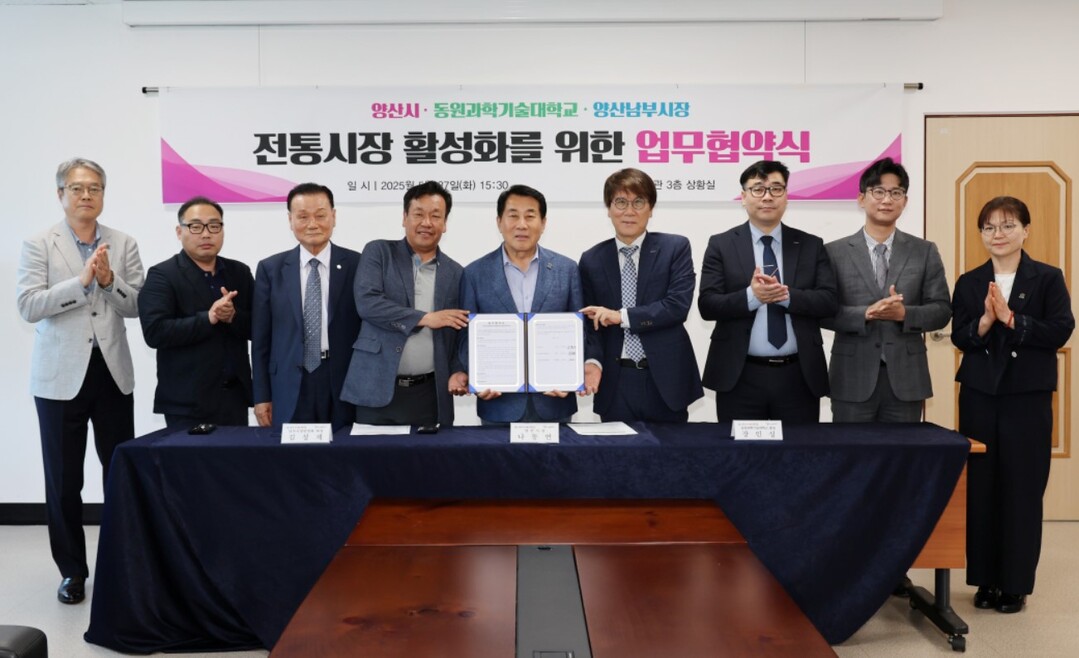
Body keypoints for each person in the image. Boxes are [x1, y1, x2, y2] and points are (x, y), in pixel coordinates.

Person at [16, 157, 144, 604]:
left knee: (120, 475)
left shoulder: (123, 243)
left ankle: (121, 565)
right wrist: (81, 282)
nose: (86, 195)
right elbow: (29, 305)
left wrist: (109, 282)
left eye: (94, 188)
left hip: (111, 374)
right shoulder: (39, 243)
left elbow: (138, 305)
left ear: (103, 194)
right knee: (64, 481)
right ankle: (72, 571)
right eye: (77, 188)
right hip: (58, 379)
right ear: (61, 194)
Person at [952, 196, 1073, 614]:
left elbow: (1060, 329)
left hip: (1027, 397)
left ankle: (1015, 584)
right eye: (989, 227)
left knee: (1022, 488)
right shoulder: (970, 281)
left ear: (1025, 230)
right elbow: (960, 336)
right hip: (979, 396)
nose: (998, 234)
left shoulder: (1047, 278)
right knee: (981, 488)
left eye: (1007, 226)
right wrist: (985, 321)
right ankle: (984, 580)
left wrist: (1011, 318)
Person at [698, 160, 837, 422]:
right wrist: (752, 297)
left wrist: (785, 296)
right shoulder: (721, 245)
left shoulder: (810, 244)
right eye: (758, 189)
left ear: (786, 196)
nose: (767, 197)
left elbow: (829, 301)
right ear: (743, 197)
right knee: (742, 448)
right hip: (740, 376)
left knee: (799, 448)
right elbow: (708, 305)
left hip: (798, 375)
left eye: (776, 188)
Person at [823, 158, 951, 422]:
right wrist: (865, 313)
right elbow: (823, 311)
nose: (887, 200)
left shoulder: (924, 251)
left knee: (903, 449)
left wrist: (905, 314)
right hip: (851, 377)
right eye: (878, 191)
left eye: (896, 193)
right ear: (861, 198)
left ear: (905, 201)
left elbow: (941, 310)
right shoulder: (833, 252)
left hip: (906, 379)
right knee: (851, 448)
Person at [578, 168, 703, 422]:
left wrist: (621, 317)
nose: (629, 211)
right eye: (620, 202)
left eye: (638, 202)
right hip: (615, 381)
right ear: (609, 209)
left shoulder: (675, 248)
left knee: (673, 448)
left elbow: (677, 306)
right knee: (616, 448)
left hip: (665, 380)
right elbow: (590, 324)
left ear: (651, 208)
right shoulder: (591, 259)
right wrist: (592, 361)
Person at [341, 181, 467, 427]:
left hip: (429, 394)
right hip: (375, 386)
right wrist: (426, 318)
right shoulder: (379, 252)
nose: (426, 222)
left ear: (445, 223)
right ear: (404, 217)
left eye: (435, 216)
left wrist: (458, 370)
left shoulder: (456, 273)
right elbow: (367, 303)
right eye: (418, 214)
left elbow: (459, 332)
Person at [454, 184, 583, 423]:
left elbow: (580, 331)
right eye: (513, 216)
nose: (521, 225)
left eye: (530, 216)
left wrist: (571, 376)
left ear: (543, 223)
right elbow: (465, 336)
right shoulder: (474, 273)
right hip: (498, 405)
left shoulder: (567, 270)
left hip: (555, 402)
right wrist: (477, 378)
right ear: (499, 222)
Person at [138, 196, 254, 430]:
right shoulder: (163, 275)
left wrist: (233, 316)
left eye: (214, 226)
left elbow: (259, 327)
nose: (206, 234)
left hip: (235, 399)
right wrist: (209, 318)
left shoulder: (239, 272)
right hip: (187, 404)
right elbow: (155, 332)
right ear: (179, 231)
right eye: (196, 226)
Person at [252, 183, 361, 430]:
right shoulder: (270, 269)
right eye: (302, 217)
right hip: (288, 383)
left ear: (333, 216)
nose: (312, 224)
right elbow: (260, 341)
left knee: (344, 450)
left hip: (342, 381)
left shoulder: (358, 264)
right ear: (290, 220)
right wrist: (261, 396)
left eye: (320, 215)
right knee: (293, 454)